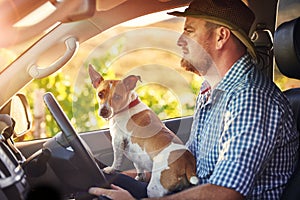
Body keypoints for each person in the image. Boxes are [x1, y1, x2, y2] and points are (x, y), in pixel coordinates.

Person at [88, 0, 299, 199]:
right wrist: (133, 177)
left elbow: (227, 192)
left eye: (189, 31)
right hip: (194, 189)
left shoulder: (251, 99)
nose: (180, 40)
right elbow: (188, 163)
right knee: (106, 183)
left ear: (220, 36)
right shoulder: (211, 89)